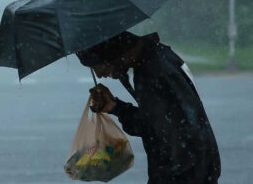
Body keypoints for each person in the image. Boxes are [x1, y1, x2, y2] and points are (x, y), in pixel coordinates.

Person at [76, 31, 221, 184]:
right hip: (195, 169)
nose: (99, 74)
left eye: (96, 65)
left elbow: (166, 133)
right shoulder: (158, 57)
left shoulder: (152, 72)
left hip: (184, 174)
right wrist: (116, 107)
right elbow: (156, 123)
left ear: (112, 53)